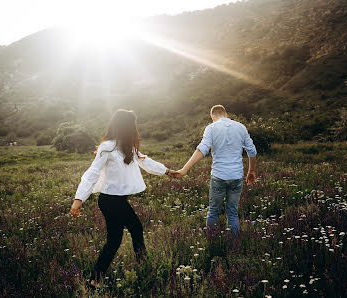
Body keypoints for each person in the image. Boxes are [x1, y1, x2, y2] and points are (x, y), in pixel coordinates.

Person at [69, 109, 175, 288]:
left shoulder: (128, 147)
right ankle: (144, 268)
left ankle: (95, 280)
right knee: (136, 228)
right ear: (126, 127)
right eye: (132, 125)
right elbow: (92, 173)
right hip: (111, 200)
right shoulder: (107, 147)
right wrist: (79, 198)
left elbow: (146, 162)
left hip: (116, 200)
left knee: (115, 240)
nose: (135, 129)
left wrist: (168, 171)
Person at [172, 105, 257, 234]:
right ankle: (234, 246)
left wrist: (184, 170)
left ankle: (211, 241)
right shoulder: (241, 127)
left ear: (212, 117)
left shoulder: (211, 128)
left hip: (219, 176)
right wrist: (251, 171)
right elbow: (252, 151)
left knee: (213, 211)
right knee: (233, 213)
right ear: (226, 114)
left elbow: (202, 149)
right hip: (236, 176)